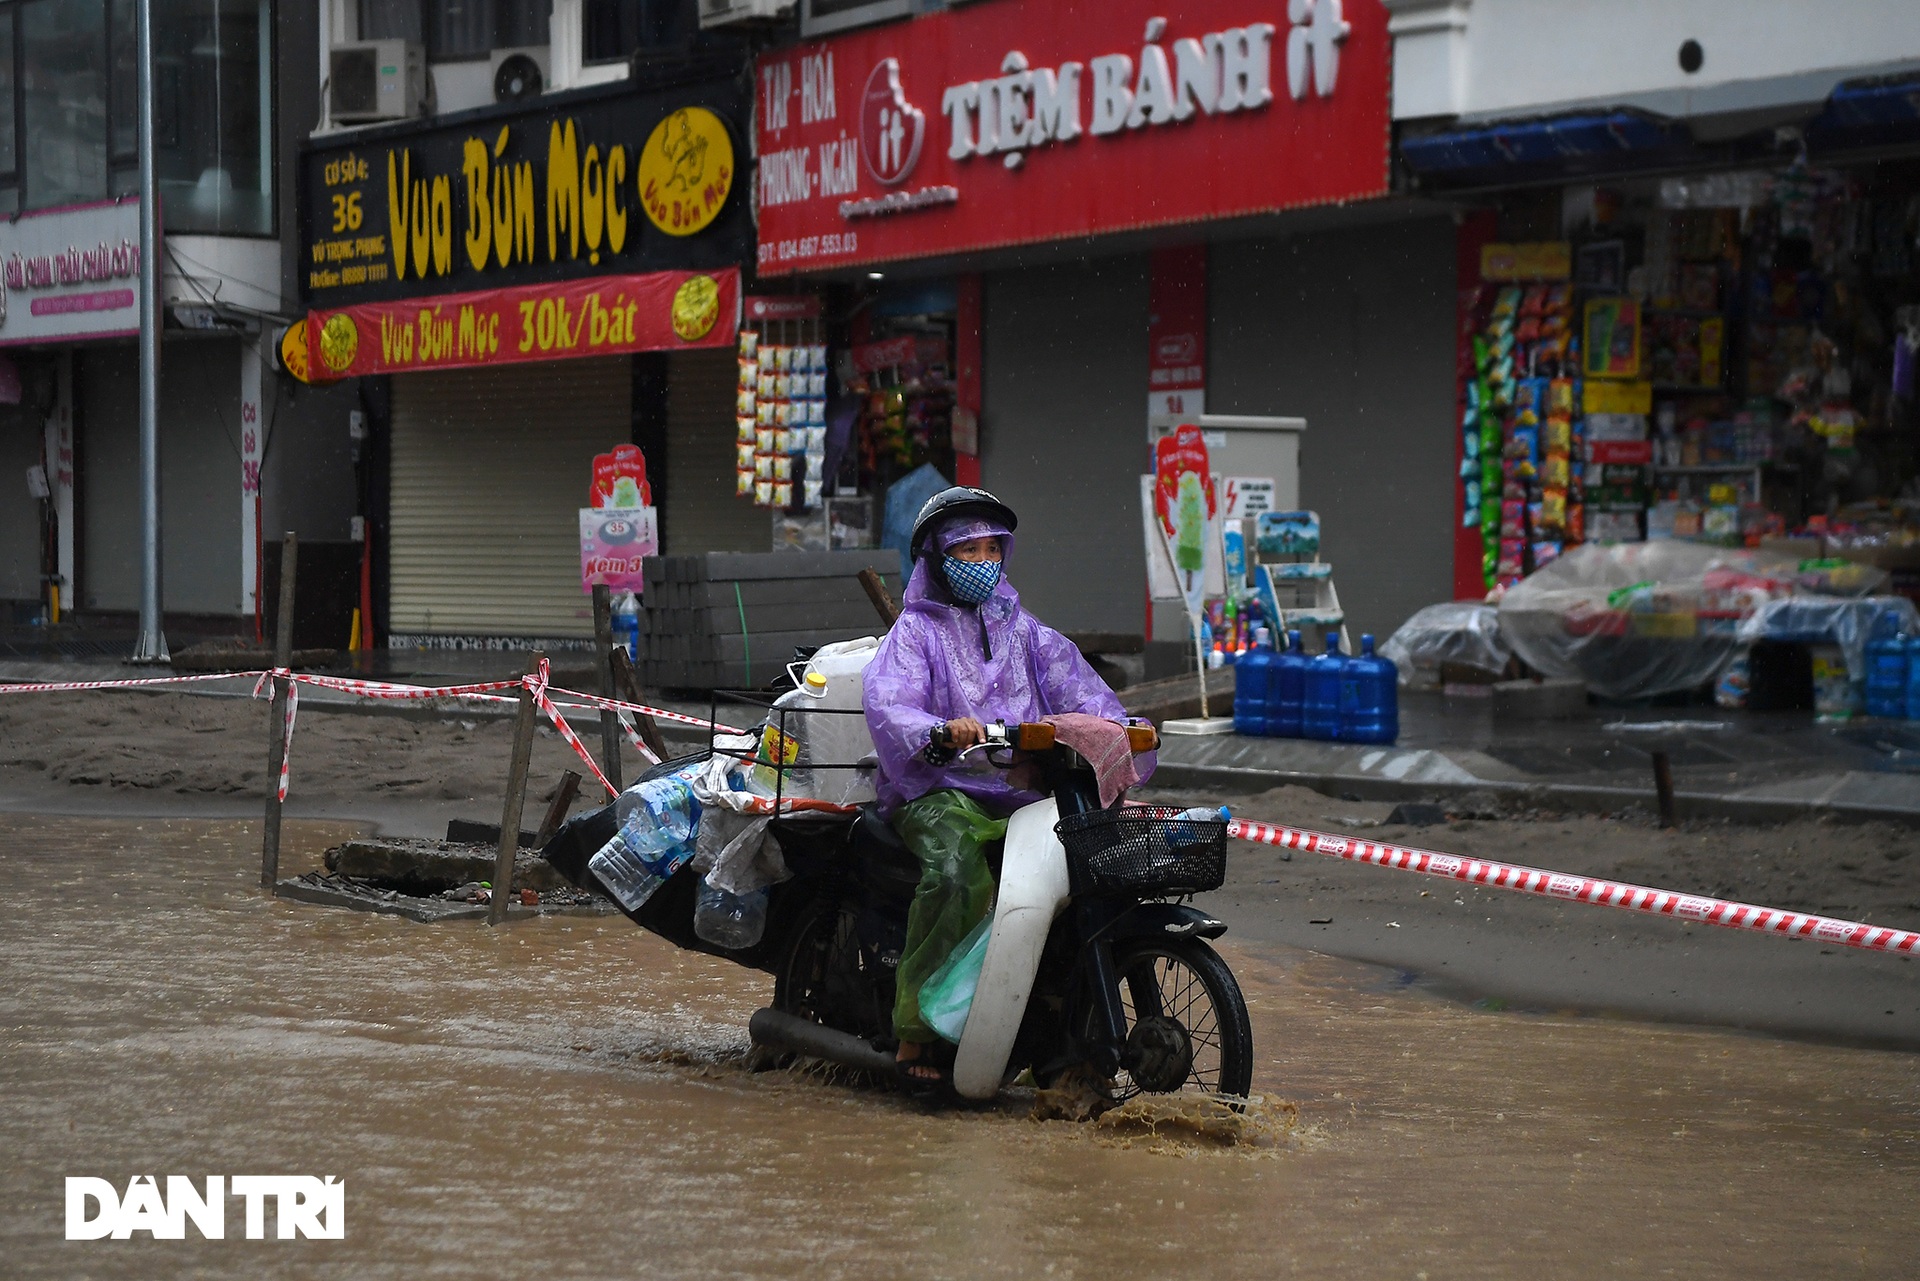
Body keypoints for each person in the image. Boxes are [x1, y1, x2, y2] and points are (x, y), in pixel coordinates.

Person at [862, 486, 1148, 1083]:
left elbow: (1080, 689)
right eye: (969, 550)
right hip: (940, 791)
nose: (985, 560)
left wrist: (1120, 728)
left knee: (1090, 863)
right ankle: (916, 1031)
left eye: (994, 547)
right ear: (938, 559)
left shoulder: (1024, 630)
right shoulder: (914, 635)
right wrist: (941, 732)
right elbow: (889, 706)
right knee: (956, 871)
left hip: (1021, 787)